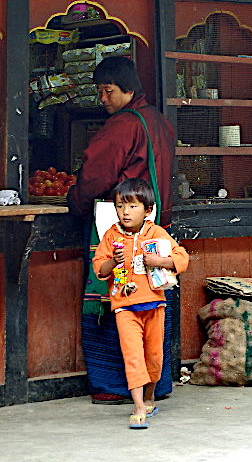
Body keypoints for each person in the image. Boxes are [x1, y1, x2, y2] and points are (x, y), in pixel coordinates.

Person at [67, 55, 176, 404]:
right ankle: (157, 383)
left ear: (128, 89)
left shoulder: (122, 126)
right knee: (156, 301)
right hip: (156, 226)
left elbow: (96, 176)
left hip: (123, 227)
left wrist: (76, 202)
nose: (103, 99)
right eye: (99, 91)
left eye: (108, 91)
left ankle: (115, 384)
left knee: (116, 302)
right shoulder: (159, 120)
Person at [93, 178, 189, 428]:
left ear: (148, 210)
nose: (125, 212)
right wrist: (114, 261)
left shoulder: (155, 233)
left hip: (154, 305)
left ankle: (149, 397)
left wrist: (160, 261)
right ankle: (138, 407)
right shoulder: (111, 235)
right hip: (124, 307)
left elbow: (182, 258)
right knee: (133, 356)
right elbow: (99, 269)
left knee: (154, 357)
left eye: (132, 207)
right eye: (120, 206)